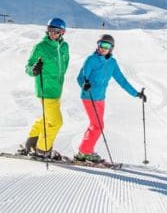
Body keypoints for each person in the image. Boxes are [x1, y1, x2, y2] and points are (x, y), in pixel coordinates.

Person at [74, 33, 145, 162]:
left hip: (101, 98)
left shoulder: (112, 63)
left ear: (111, 48)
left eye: (106, 46)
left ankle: (84, 150)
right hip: (89, 96)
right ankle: (84, 151)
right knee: (98, 125)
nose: (102, 48)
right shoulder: (91, 59)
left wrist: (136, 93)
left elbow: (122, 80)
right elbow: (80, 77)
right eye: (101, 45)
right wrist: (84, 84)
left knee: (95, 125)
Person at [18, 17, 70, 159]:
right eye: (50, 30)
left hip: (57, 90)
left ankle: (31, 142)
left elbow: (64, 67)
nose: (52, 33)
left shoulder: (64, 47)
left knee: (47, 118)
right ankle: (42, 149)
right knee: (56, 121)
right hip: (45, 90)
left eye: (56, 31)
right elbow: (28, 66)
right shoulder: (41, 46)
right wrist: (34, 70)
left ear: (62, 32)